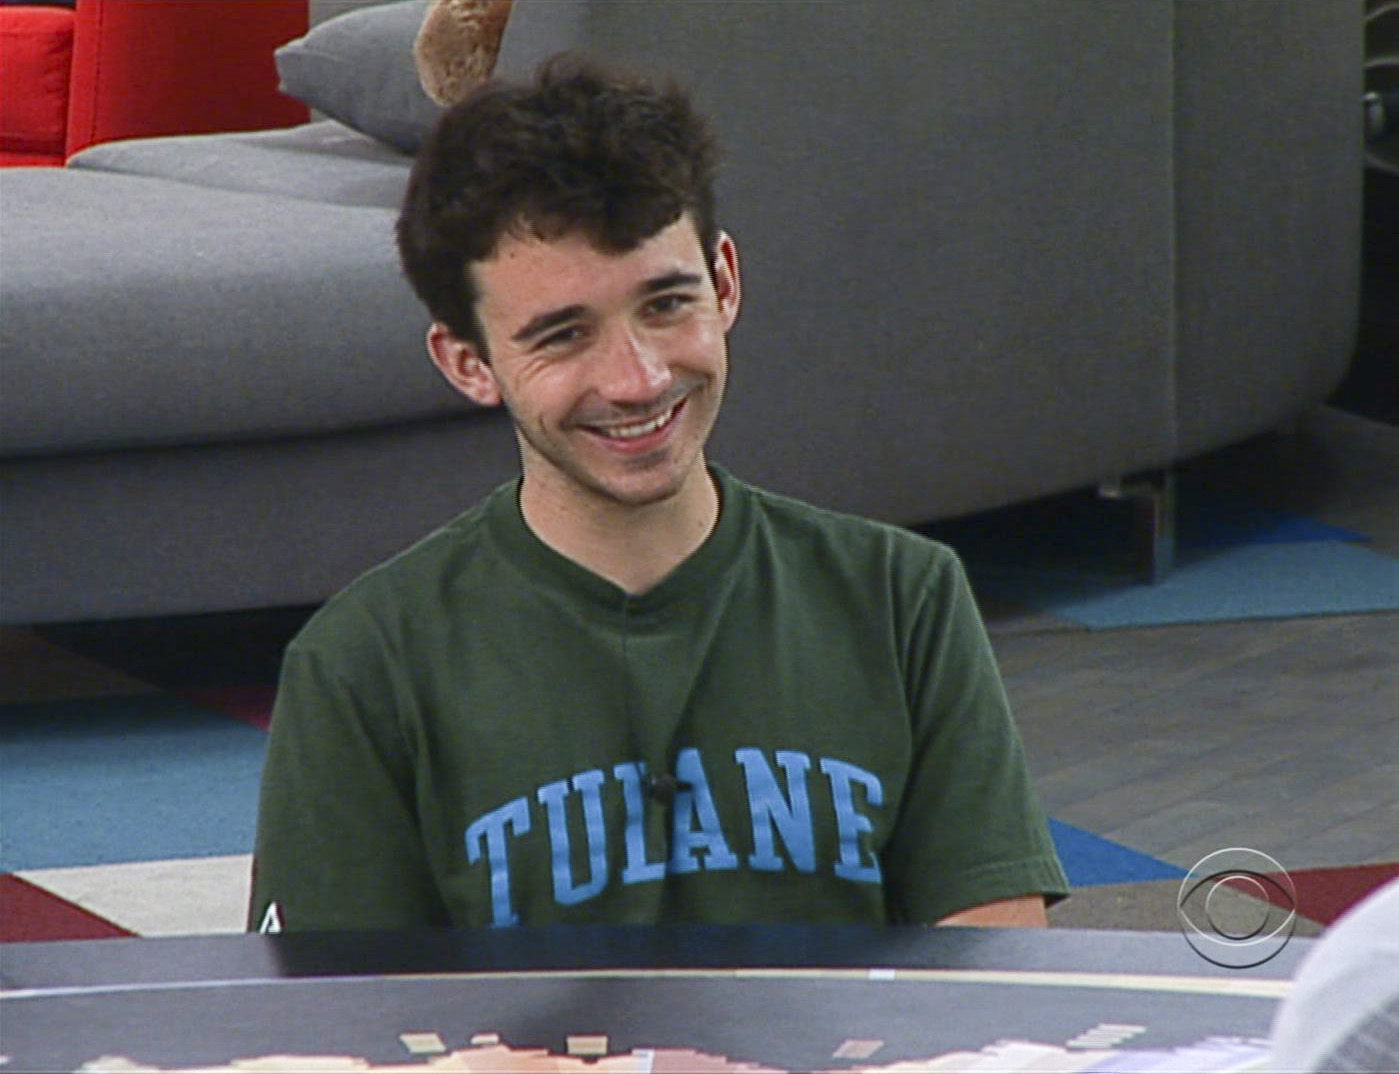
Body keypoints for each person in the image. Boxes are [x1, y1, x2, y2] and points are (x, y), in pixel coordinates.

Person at [248, 58, 1069, 934]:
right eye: (563, 335)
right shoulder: (361, 667)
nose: (637, 379)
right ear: (468, 363)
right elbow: (345, 1008)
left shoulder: (902, 600)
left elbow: (992, 973)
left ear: (725, 282)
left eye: (666, 304)